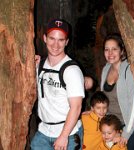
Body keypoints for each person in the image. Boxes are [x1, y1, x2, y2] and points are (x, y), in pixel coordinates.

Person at [31, 18, 85, 150]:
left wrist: (63, 136)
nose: (56, 45)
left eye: (61, 40)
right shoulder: (39, 65)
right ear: (44, 38)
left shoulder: (71, 70)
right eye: (52, 38)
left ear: (67, 42)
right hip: (43, 131)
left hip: (68, 134)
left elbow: (76, 107)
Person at [100, 33, 134, 150]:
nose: (110, 53)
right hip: (111, 122)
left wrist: (126, 133)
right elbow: (103, 99)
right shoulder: (105, 69)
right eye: (106, 49)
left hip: (130, 123)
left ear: (122, 51)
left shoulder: (129, 70)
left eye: (114, 49)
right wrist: (94, 111)